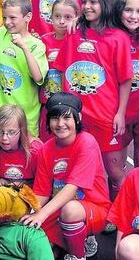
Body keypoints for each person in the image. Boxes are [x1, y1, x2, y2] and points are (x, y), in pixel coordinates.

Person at [54, 0, 133, 208]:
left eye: (93, 2)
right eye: (84, 2)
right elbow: (62, 71)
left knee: (114, 170)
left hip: (106, 116)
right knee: (77, 168)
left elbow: (125, 79)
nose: (87, 7)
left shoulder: (118, 37)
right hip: (77, 118)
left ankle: (120, 215)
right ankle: (89, 214)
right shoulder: (74, 32)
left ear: (106, 3)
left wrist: (120, 113)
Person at [22, 92, 110, 260]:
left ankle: (78, 254)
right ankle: (71, 238)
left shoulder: (87, 142)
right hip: (56, 209)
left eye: (66, 118)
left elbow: (71, 188)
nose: (60, 124)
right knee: (34, 241)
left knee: (70, 211)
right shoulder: (46, 150)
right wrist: (27, 212)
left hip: (93, 207)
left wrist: (42, 214)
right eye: (55, 118)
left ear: (78, 118)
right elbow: (41, 193)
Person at [0, 0, 49, 136]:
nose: (7, 22)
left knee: (26, 157)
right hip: (1, 115)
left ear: (28, 17)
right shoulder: (0, 35)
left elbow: (38, 77)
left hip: (27, 118)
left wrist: (24, 47)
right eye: (4, 18)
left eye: (12, 18)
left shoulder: (37, 45)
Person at [112, 0, 139, 166]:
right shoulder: (110, 34)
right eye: (128, 10)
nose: (133, 16)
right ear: (118, 11)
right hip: (117, 111)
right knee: (116, 170)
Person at [38, 0, 78, 141]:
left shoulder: (78, 41)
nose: (61, 21)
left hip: (69, 105)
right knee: (47, 141)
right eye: (57, 16)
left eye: (68, 17)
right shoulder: (43, 40)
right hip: (47, 103)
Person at [0, 104, 43, 191]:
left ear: (22, 131)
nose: (4, 138)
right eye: (0, 131)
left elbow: (43, 185)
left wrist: (21, 184)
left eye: (11, 132)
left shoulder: (35, 150)